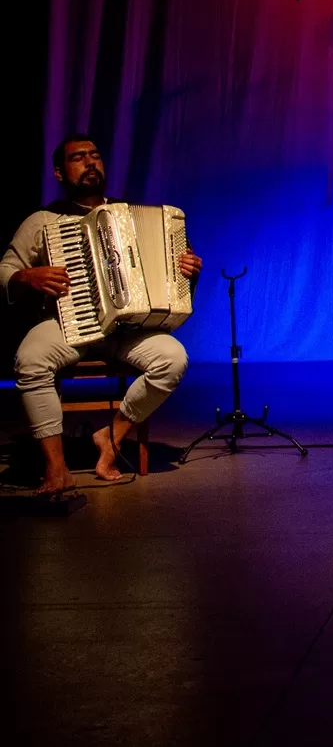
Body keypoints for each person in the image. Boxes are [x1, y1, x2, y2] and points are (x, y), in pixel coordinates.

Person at [1, 134, 202, 492]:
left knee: (173, 359)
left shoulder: (130, 216)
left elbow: (172, 288)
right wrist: (26, 275)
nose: (90, 162)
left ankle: (111, 437)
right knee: (30, 360)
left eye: (95, 155)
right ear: (60, 173)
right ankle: (57, 467)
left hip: (126, 330)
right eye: (79, 158)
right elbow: (6, 271)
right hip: (68, 323)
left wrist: (187, 271)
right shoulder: (43, 220)